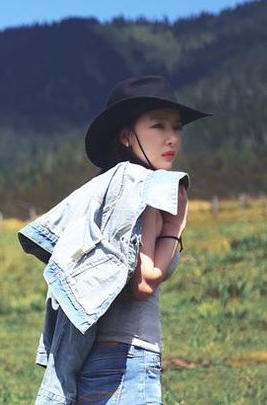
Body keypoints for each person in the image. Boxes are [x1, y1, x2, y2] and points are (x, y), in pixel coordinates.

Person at [18, 75, 211, 404]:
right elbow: (144, 281)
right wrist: (175, 225)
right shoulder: (141, 185)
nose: (171, 139)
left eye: (176, 127)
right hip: (128, 360)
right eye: (158, 126)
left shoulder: (110, 190)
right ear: (126, 135)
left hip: (98, 360)